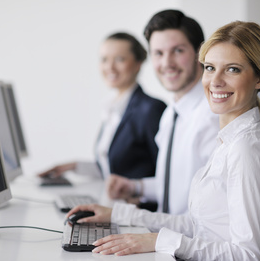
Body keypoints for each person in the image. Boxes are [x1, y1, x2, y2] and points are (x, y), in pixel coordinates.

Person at [66, 21, 260, 260]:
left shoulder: (246, 150)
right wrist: (119, 215)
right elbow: (201, 226)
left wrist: (160, 240)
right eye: (210, 68)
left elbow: (249, 255)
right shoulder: (229, 140)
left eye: (232, 69)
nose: (215, 81)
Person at [107, 9, 220, 214]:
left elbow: (209, 214)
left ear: (200, 52)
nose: (167, 63)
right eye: (158, 53)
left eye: (178, 51)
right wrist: (135, 187)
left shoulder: (213, 117)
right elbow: (177, 186)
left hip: (185, 241)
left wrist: (128, 218)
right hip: (165, 234)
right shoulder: (172, 114)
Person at [39, 32, 166, 180]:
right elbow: (111, 169)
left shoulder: (151, 109)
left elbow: (165, 175)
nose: (110, 67)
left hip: (137, 203)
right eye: (104, 59)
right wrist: (72, 166)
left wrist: (138, 190)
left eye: (119, 59)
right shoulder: (112, 106)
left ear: (138, 64)